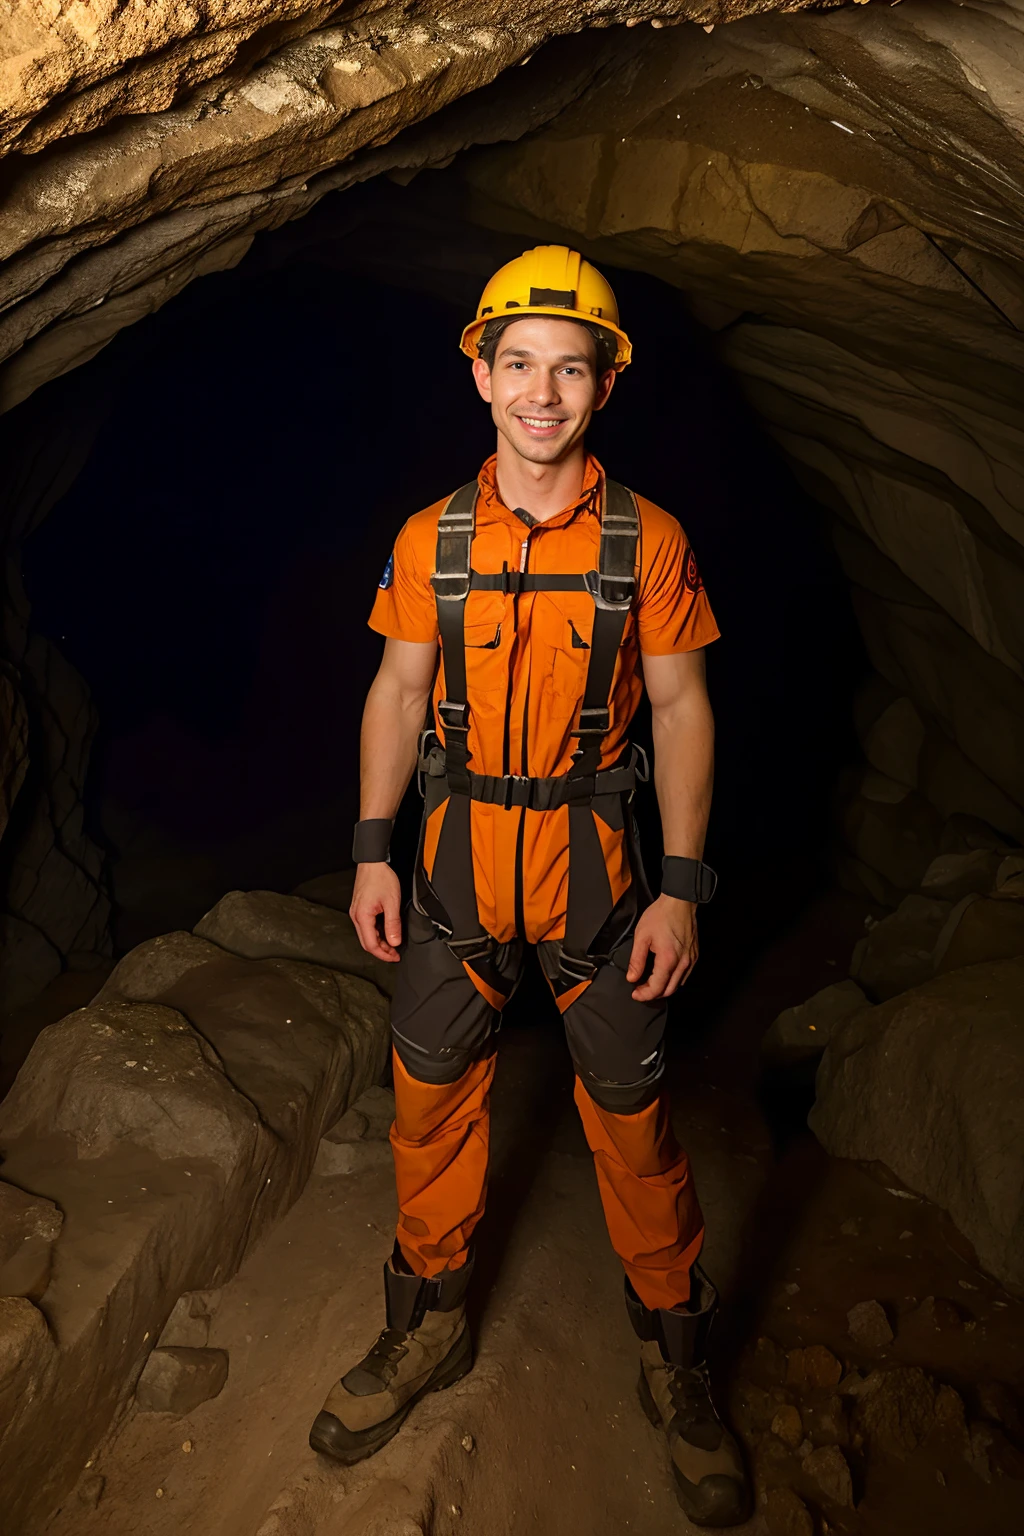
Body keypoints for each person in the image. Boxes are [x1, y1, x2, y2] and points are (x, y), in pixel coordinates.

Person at [309, 246, 751, 1527]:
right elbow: (396, 693)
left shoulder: (646, 540)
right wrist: (371, 850)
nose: (542, 395)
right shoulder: (432, 536)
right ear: (482, 377)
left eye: (570, 369)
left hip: (600, 884)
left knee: (632, 1127)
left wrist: (678, 889)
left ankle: (677, 1363)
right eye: (520, 366)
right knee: (429, 1111)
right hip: (453, 873)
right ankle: (428, 1327)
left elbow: (679, 705)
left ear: (603, 386)